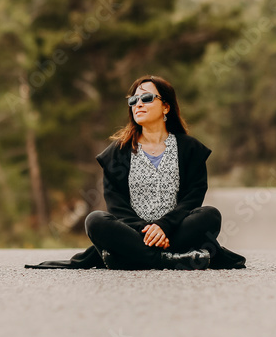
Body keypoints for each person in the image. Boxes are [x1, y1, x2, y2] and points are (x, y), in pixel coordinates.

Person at [25, 74, 246, 270]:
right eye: (133, 100)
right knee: (96, 221)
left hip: (175, 231)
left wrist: (163, 227)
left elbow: (192, 199)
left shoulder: (190, 150)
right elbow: (116, 205)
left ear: (166, 107)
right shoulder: (117, 153)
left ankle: (130, 258)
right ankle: (167, 260)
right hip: (132, 232)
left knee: (209, 216)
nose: (138, 104)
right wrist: (146, 230)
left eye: (147, 98)